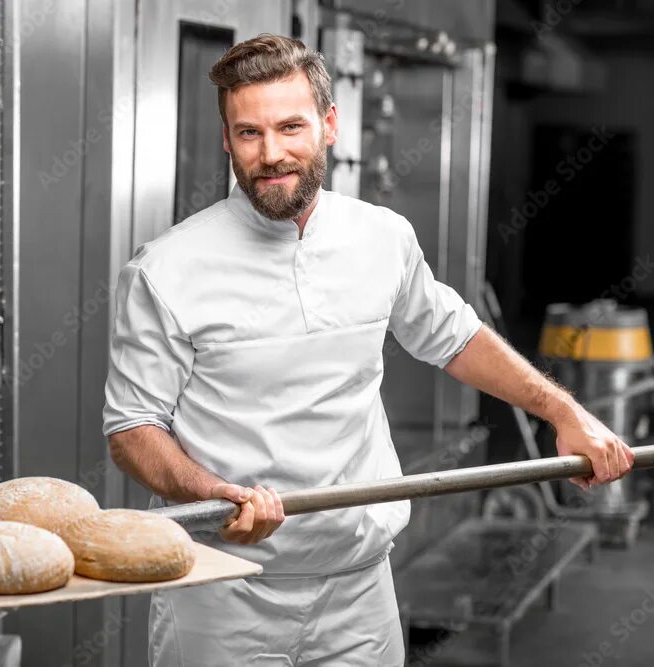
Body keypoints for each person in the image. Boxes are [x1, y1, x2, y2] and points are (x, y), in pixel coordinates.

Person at [102, 34, 634, 666]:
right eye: (249, 133)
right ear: (226, 139)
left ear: (330, 125)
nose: (271, 154)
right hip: (222, 592)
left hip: (360, 591)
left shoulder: (382, 237)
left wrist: (562, 413)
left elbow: (455, 337)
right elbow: (132, 427)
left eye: (290, 126)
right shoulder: (164, 270)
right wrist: (212, 494)